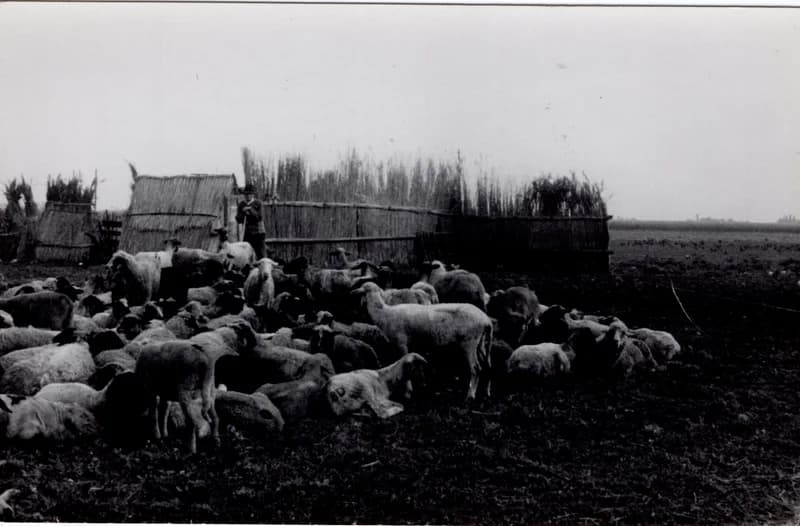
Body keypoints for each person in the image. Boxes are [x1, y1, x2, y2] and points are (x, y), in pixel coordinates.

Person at [235, 184, 266, 260]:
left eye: (249, 194)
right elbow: (238, 219)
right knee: (246, 254)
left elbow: (260, 217)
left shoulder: (258, 203)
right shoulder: (241, 205)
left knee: (261, 254)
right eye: (246, 194)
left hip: (258, 233)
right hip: (246, 233)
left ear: (253, 194)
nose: (248, 196)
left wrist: (250, 210)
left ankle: (264, 269)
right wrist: (243, 212)